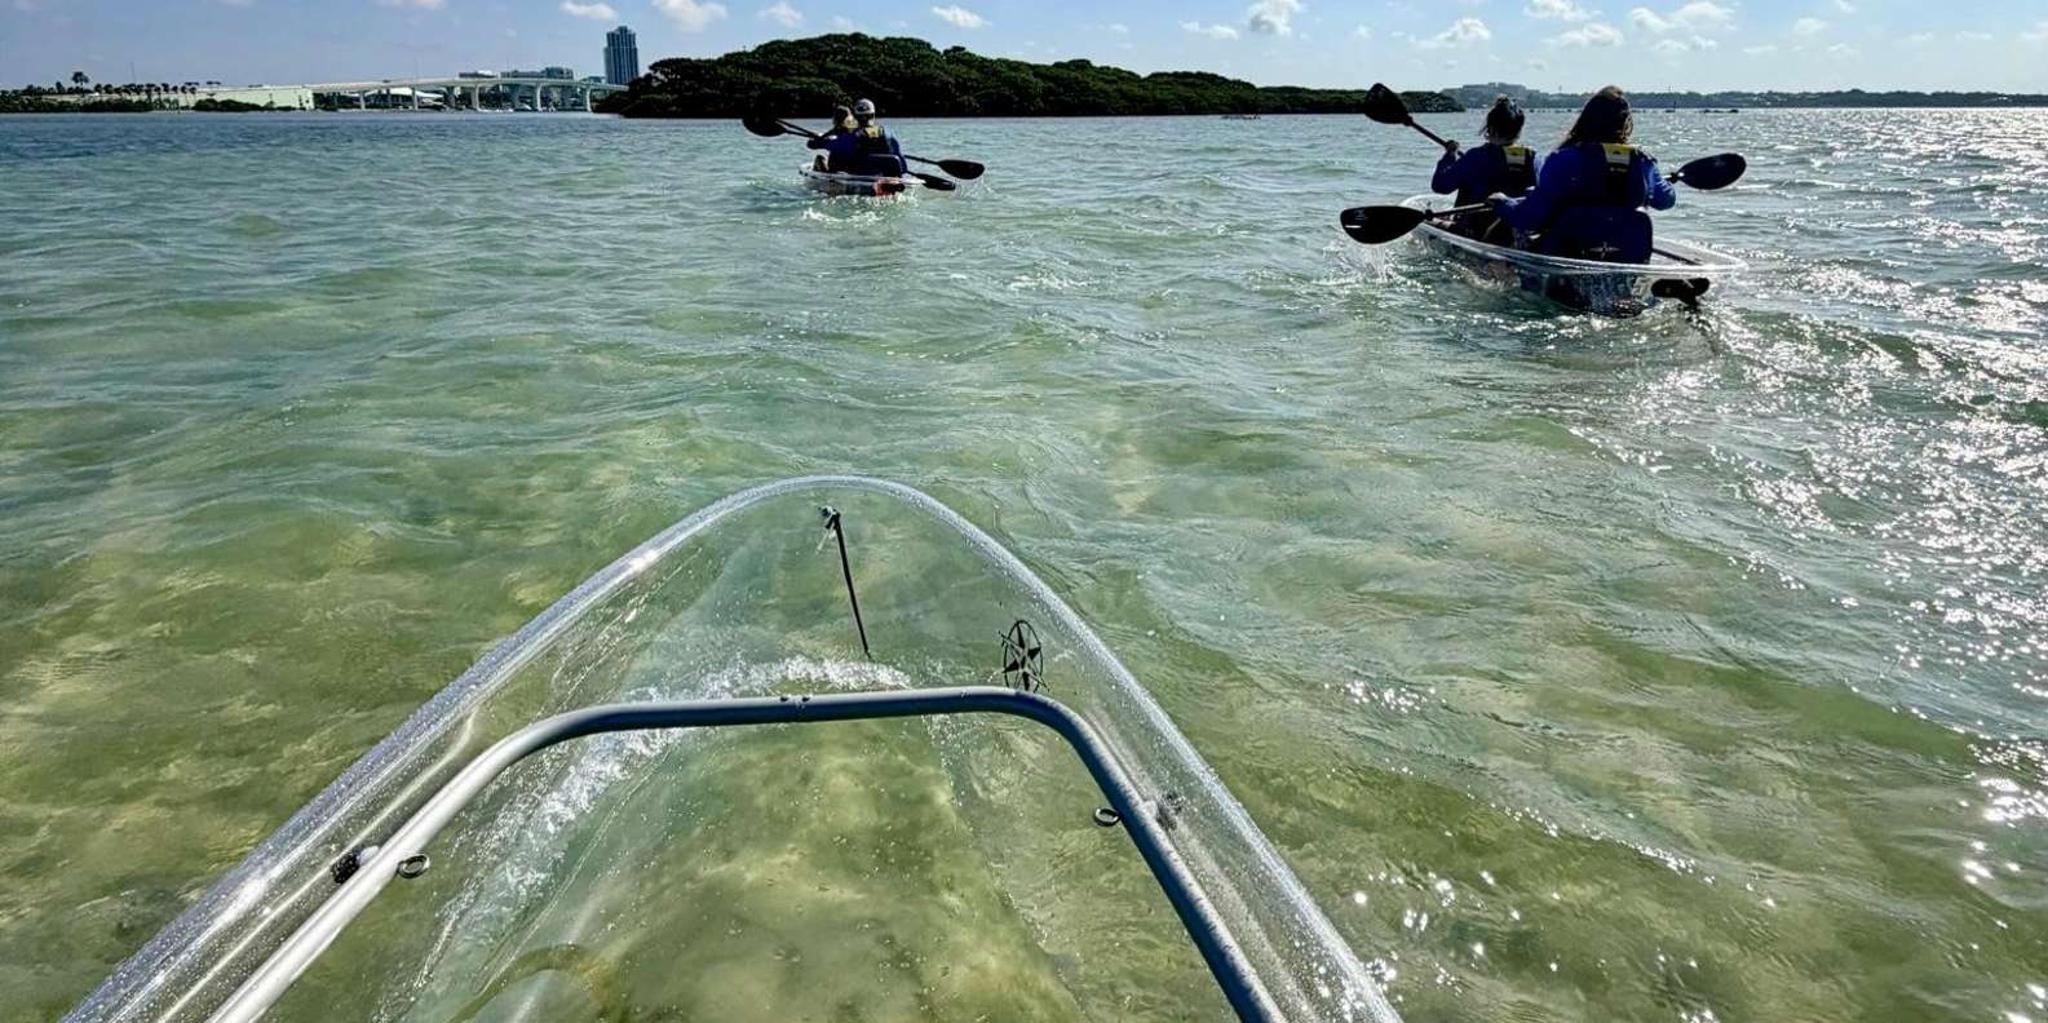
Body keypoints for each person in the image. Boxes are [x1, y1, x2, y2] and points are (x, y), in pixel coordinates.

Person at [1490, 86, 1676, 262]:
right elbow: (1665, 200)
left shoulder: (1563, 159)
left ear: (1586, 120)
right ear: (1626, 124)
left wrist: (1503, 204)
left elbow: (1531, 216)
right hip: (1626, 252)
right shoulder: (1643, 161)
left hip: (1569, 254)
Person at [1430, 96, 1539, 242]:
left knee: (1429, 221)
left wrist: (1449, 156)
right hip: (1514, 235)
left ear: (1490, 129)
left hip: (1475, 233)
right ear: (1518, 131)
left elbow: (1441, 186)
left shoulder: (1475, 156)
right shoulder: (1531, 157)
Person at [819, 98, 905, 177]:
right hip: (885, 177)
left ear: (855, 117)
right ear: (873, 115)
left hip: (860, 175)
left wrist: (822, 141)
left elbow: (832, 145)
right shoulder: (887, 133)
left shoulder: (854, 135)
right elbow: (904, 167)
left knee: (831, 155)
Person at [807, 104, 856, 170]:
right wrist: (823, 136)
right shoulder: (858, 132)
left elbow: (810, 144)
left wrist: (821, 137)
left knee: (820, 158)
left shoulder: (835, 142)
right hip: (853, 168)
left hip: (837, 170)